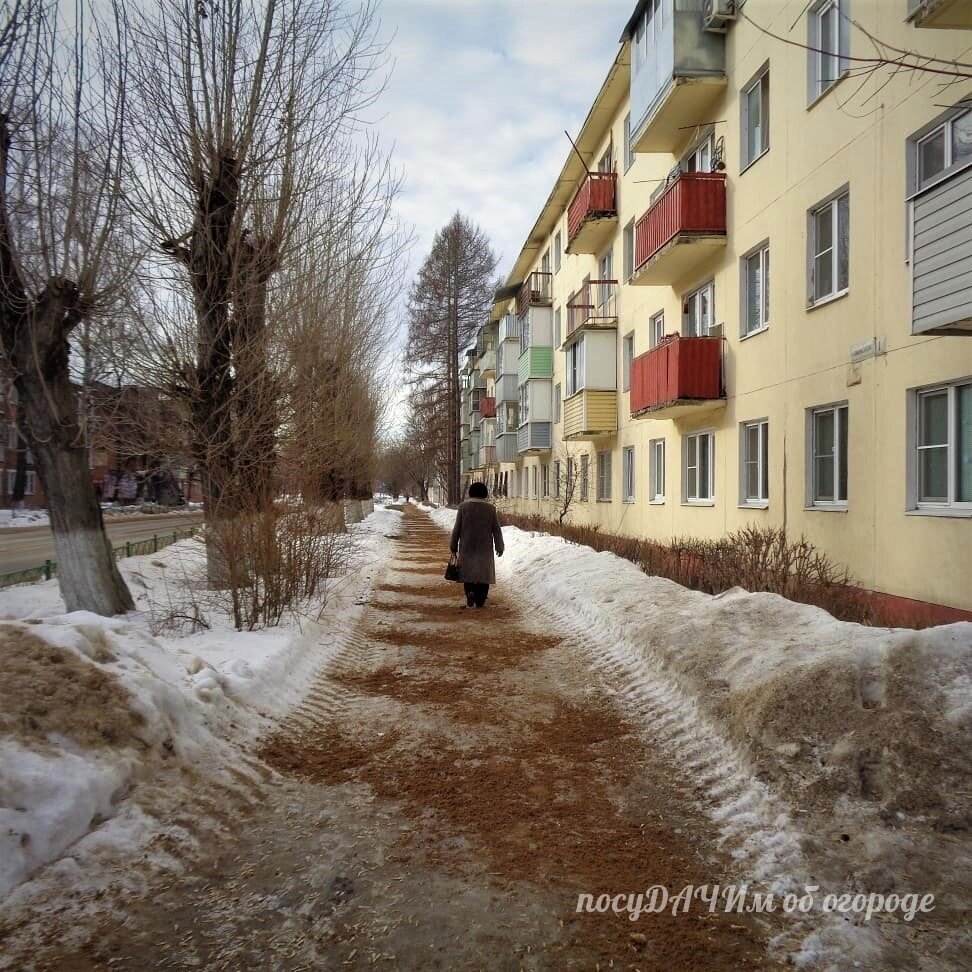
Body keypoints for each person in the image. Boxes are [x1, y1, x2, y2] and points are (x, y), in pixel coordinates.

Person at [449, 481, 504, 609]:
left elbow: (457, 528)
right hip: (484, 547)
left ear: (471, 492)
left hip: (467, 546)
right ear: (485, 493)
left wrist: (453, 545)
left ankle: (470, 593)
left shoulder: (463, 507)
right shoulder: (490, 509)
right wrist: (499, 546)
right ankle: (480, 600)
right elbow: (496, 529)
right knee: (483, 574)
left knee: (467, 572)